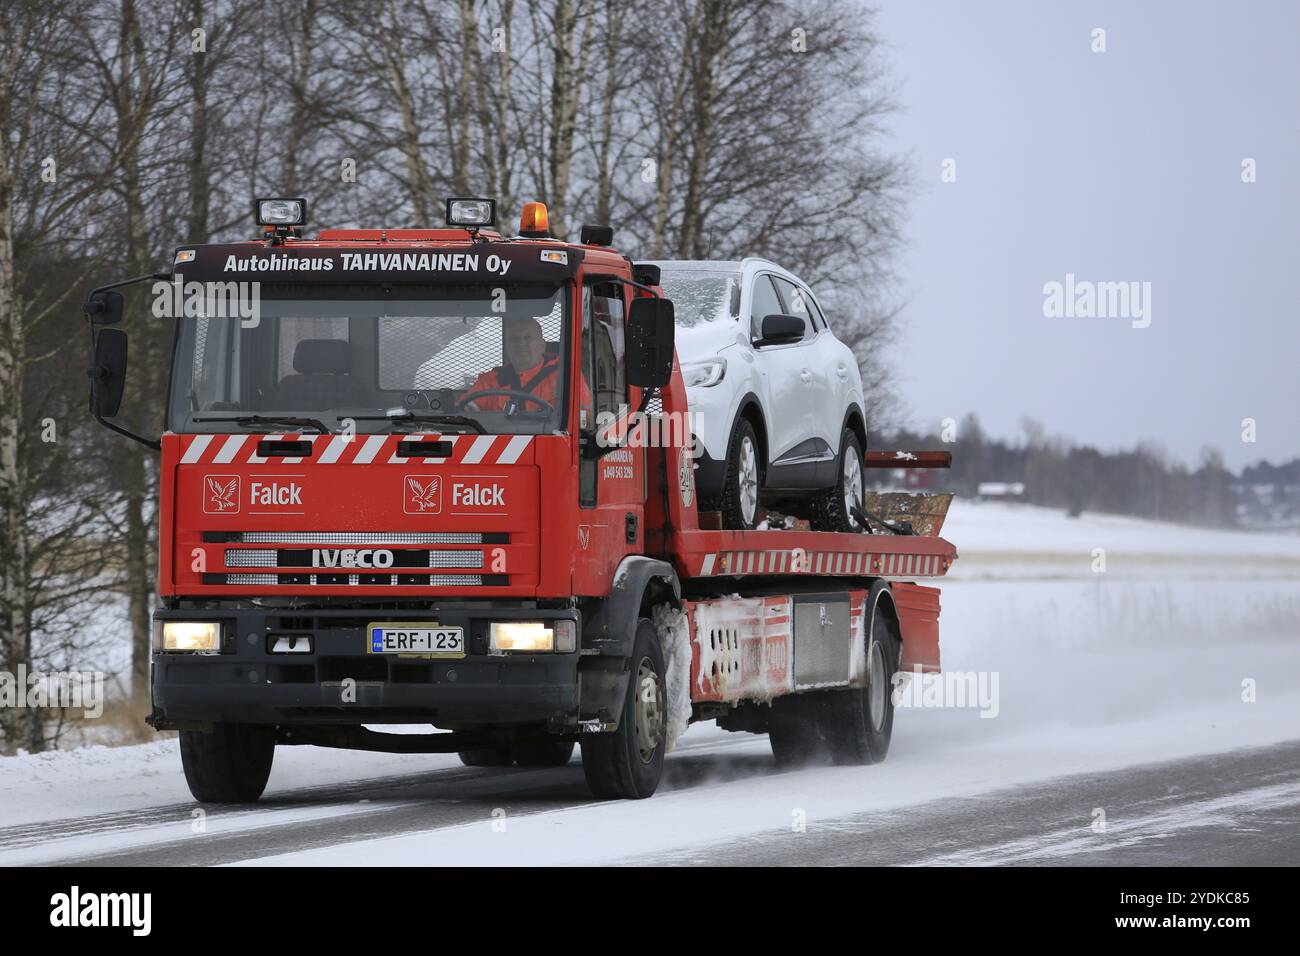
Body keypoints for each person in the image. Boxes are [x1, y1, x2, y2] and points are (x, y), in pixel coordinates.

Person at [465, 315, 589, 412]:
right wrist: (469, 409)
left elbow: (583, 416)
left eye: (528, 338)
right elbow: (464, 410)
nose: (521, 344)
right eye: (515, 339)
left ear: (542, 346)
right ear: (507, 348)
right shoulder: (490, 380)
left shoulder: (566, 376)